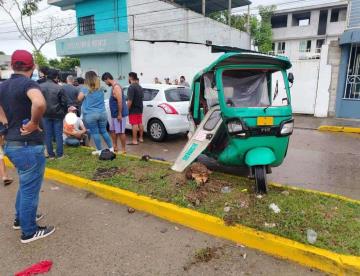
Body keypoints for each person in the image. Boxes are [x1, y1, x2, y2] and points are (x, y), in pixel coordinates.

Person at [0, 50, 55, 243]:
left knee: (25, 184)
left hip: (12, 143)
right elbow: (39, 103)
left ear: (12, 66)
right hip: (27, 145)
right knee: (31, 188)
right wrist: (33, 122)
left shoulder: (3, 85)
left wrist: (6, 122)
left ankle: (20, 219)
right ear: (32, 67)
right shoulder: (29, 84)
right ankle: (29, 231)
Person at [78, 71, 113, 155]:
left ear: (87, 79)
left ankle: (99, 150)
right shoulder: (101, 87)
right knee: (104, 131)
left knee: (95, 132)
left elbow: (79, 98)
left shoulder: (85, 88)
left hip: (90, 114)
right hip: (102, 113)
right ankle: (111, 148)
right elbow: (104, 92)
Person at [40, 69, 67, 160]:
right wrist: (63, 112)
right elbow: (64, 103)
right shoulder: (59, 88)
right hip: (57, 114)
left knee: (47, 134)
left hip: (45, 113)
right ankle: (60, 154)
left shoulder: (40, 87)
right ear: (56, 77)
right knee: (58, 134)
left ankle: (51, 155)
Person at [102, 72, 128, 153]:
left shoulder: (116, 87)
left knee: (120, 132)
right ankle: (115, 147)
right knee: (112, 130)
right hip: (114, 114)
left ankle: (123, 149)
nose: (105, 84)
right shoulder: (113, 87)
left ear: (107, 79)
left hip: (118, 114)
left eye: (105, 81)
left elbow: (120, 101)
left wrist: (119, 114)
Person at [127, 72, 144, 145]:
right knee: (140, 123)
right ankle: (141, 138)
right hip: (140, 107)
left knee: (134, 124)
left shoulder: (131, 87)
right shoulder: (140, 87)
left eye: (128, 77)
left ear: (131, 77)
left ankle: (134, 140)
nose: (128, 78)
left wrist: (127, 109)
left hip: (133, 109)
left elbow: (130, 100)